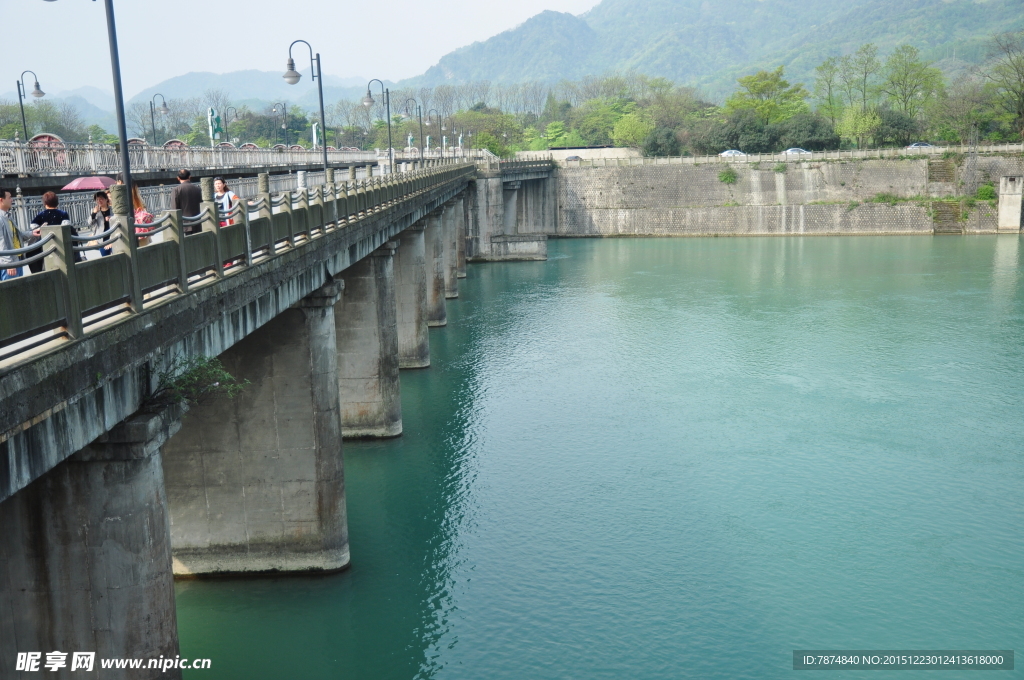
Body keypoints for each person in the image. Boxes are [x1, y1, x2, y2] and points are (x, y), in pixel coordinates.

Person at [0, 187, 36, 280]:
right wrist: (9, 264)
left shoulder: (7, 216)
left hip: (16, 260)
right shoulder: (1, 218)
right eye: (9, 197)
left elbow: (17, 236)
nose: (12, 200)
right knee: (11, 292)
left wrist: (32, 233)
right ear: (1, 200)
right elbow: (1, 243)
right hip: (8, 264)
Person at [29, 191, 71, 271]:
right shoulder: (63, 213)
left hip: (45, 242)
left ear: (45, 203)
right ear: (57, 202)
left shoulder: (41, 214)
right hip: (60, 242)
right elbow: (66, 225)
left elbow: (33, 225)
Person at [171, 169, 202, 234]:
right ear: (189, 177)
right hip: (198, 222)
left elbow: (174, 208)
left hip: (184, 224)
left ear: (178, 178)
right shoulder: (198, 189)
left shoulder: (176, 190)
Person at [88, 190, 113, 257]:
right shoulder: (96, 211)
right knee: (105, 258)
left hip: (112, 238)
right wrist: (94, 213)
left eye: (101, 199)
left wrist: (111, 218)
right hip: (102, 240)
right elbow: (90, 223)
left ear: (106, 199)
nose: (99, 201)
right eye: (97, 199)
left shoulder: (112, 210)